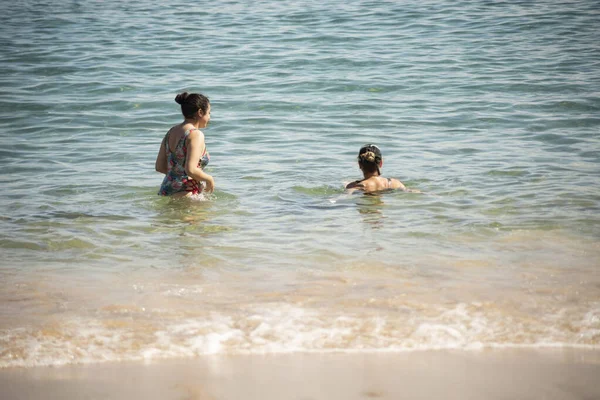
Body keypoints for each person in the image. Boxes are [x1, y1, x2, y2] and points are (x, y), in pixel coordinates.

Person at [155, 92, 215, 197]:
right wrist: (209, 179)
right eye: (209, 113)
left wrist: (177, 178)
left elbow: (159, 167)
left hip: (166, 190)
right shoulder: (196, 134)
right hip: (186, 193)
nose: (209, 117)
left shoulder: (171, 132)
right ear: (200, 112)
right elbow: (191, 169)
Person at [346, 144, 418, 193]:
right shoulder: (394, 183)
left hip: (365, 212)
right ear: (381, 163)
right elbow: (411, 191)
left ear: (359, 164)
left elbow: (343, 198)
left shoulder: (355, 186)